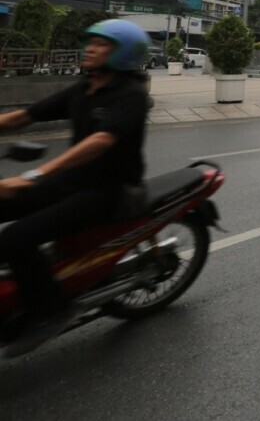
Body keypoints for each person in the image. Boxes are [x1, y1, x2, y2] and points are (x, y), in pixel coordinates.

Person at [0, 19, 151, 357]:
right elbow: (24, 117)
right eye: (91, 42)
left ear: (123, 53)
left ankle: (52, 311)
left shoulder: (132, 96)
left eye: (102, 44)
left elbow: (100, 141)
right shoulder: (82, 89)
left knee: (15, 237)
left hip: (108, 191)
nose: (91, 48)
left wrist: (34, 175)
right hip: (71, 183)